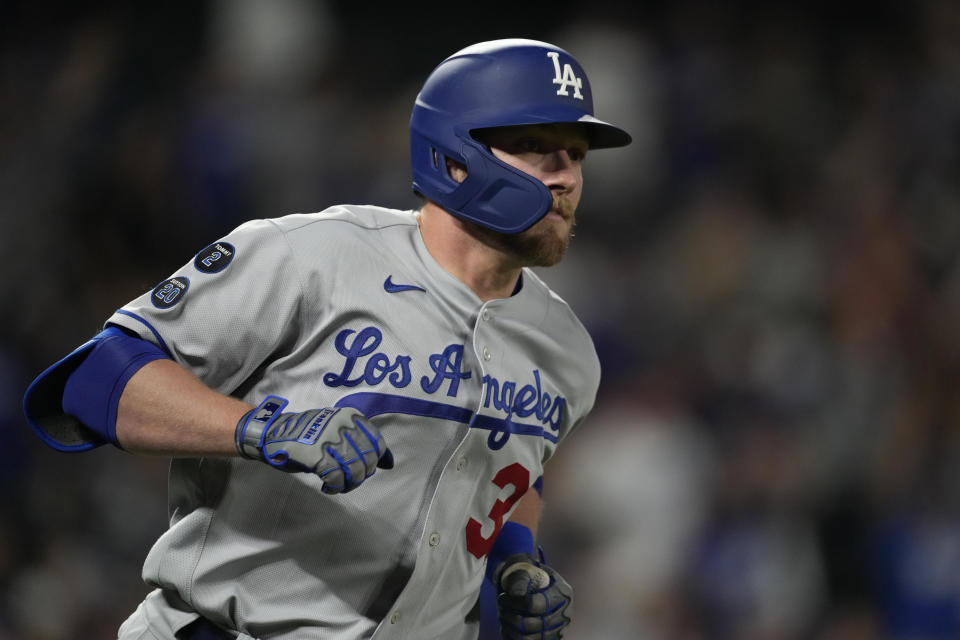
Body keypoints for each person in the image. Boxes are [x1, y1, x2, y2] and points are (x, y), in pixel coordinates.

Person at [23, 38, 631, 639]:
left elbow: (508, 469)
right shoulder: (315, 256)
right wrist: (259, 428)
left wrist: (516, 561)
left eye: (575, 154)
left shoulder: (568, 351)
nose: (566, 177)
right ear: (454, 157)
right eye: (535, 147)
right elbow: (97, 380)